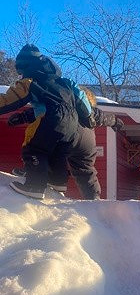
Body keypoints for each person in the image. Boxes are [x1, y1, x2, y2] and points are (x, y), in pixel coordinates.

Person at [8, 86, 124, 199]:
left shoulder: (64, 106)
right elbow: (104, 118)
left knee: (42, 148)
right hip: (87, 142)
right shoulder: (91, 112)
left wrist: (21, 117)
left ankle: (34, 173)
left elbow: (41, 111)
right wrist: (115, 121)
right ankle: (93, 198)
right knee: (85, 170)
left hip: (69, 134)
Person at [0, 44, 83, 199]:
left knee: (35, 149)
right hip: (72, 124)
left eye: (20, 71)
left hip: (52, 120)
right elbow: (80, 104)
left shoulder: (30, 81)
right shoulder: (64, 83)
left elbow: (8, 101)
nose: (20, 75)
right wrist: (89, 120)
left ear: (25, 66)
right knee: (58, 152)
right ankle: (57, 181)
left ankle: (34, 185)